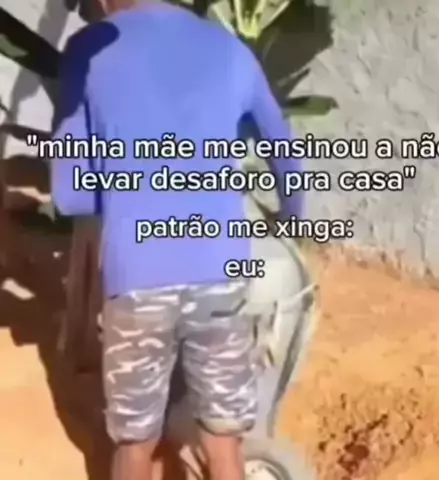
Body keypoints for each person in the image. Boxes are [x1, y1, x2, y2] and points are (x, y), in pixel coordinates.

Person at [50, 0, 303, 479]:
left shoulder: (89, 50)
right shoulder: (228, 47)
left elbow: (70, 195)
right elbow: (283, 151)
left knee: (135, 444)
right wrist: (291, 220)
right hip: (220, 268)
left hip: (136, 276)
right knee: (222, 441)